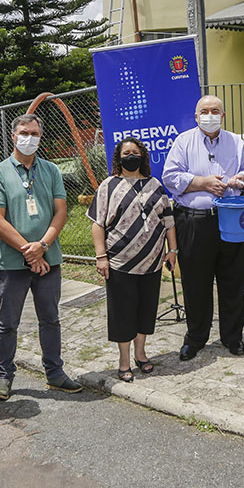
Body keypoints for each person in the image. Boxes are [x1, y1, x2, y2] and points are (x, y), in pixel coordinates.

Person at [0, 114, 83, 401]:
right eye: (24, 133)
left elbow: (61, 212)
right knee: (8, 323)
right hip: (12, 263)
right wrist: (29, 252)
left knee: (50, 319)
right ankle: (4, 377)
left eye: (35, 133)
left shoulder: (51, 170)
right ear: (13, 136)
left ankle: (54, 373)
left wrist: (42, 245)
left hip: (48, 260)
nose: (30, 138)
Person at [163, 95, 244, 360]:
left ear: (223, 115)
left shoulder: (235, 142)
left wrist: (241, 178)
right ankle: (195, 338)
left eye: (215, 110)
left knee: (234, 280)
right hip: (194, 221)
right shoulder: (183, 142)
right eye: (204, 111)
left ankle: (232, 337)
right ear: (196, 116)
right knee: (195, 283)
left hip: (231, 220)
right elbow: (169, 177)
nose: (209, 115)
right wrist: (201, 182)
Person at [88, 138, 178, 382]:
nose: (131, 156)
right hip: (119, 263)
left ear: (143, 156)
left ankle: (141, 353)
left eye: (135, 152)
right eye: (126, 153)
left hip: (152, 263)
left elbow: (168, 221)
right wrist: (101, 257)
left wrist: (172, 250)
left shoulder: (154, 185)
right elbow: (97, 223)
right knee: (122, 312)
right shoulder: (108, 186)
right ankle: (124, 360)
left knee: (145, 311)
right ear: (119, 157)